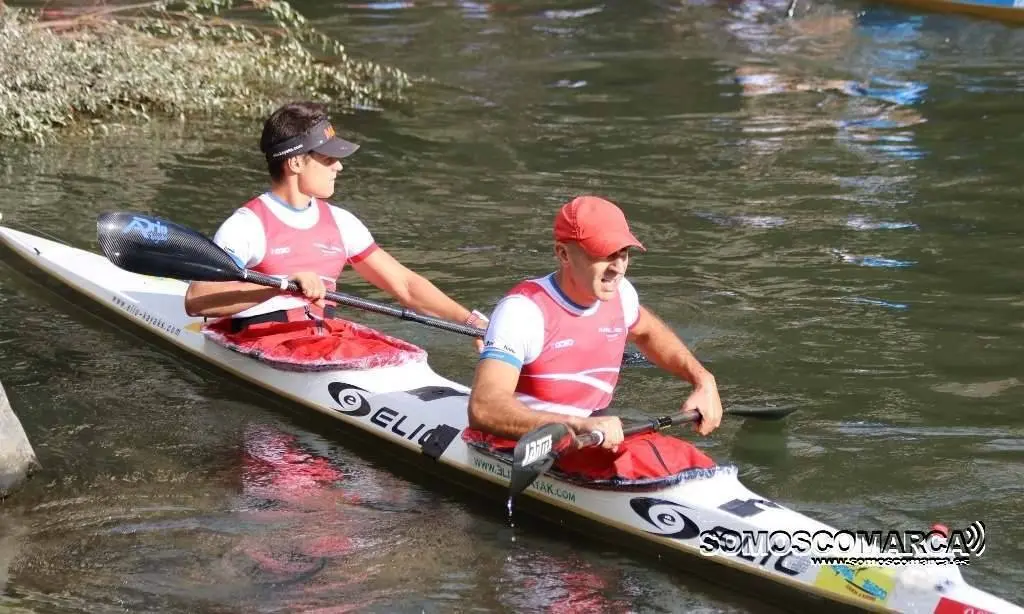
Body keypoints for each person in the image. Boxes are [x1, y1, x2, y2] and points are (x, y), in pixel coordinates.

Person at [184, 101, 487, 370]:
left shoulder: (342, 223)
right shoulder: (247, 226)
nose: (339, 167)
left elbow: (405, 286)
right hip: (263, 341)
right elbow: (197, 301)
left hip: (323, 340)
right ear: (296, 162)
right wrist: (282, 285)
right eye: (328, 159)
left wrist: (470, 321)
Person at [464, 196, 723, 482]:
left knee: (681, 457)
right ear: (563, 254)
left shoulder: (621, 294)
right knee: (646, 458)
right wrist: (577, 424)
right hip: (521, 443)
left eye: (623, 253)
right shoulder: (523, 311)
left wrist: (703, 380)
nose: (617, 268)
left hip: (589, 436)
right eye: (604, 254)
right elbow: (484, 407)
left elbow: (650, 333)